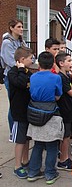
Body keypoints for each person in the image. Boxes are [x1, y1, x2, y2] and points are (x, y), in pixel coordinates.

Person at [27, 51, 63, 184]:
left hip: (35, 111)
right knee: (52, 145)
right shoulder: (56, 77)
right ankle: (50, 173)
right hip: (51, 113)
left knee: (38, 144)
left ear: (39, 64)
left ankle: (33, 171)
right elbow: (58, 96)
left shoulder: (33, 77)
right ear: (52, 63)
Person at [7, 46, 33, 178]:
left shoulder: (28, 72)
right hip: (18, 112)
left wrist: (24, 70)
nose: (32, 60)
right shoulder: (13, 72)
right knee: (20, 139)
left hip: (28, 110)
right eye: (30, 58)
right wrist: (21, 69)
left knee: (27, 138)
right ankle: (17, 165)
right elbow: (21, 83)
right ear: (22, 59)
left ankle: (25, 160)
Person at [1, 19, 26, 141]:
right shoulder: (7, 43)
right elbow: (11, 61)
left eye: (22, 27)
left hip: (21, 74)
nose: (22, 29)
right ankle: (13, 132)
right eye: (19, 26)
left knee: (20, 103)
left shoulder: (21, 41)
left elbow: (27, 54)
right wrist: (24, 63)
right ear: (11, 28)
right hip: (11, 77)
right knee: (14, 105)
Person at [55, 52, 72, 171]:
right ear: (61, 63)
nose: (71, 63)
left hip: (71, 110)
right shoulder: (61, 77)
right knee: (65, 136)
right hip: (65, 110)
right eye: (69, 61)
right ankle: (63, 160)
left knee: (68, 136)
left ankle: (67, 157)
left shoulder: (67, 76)